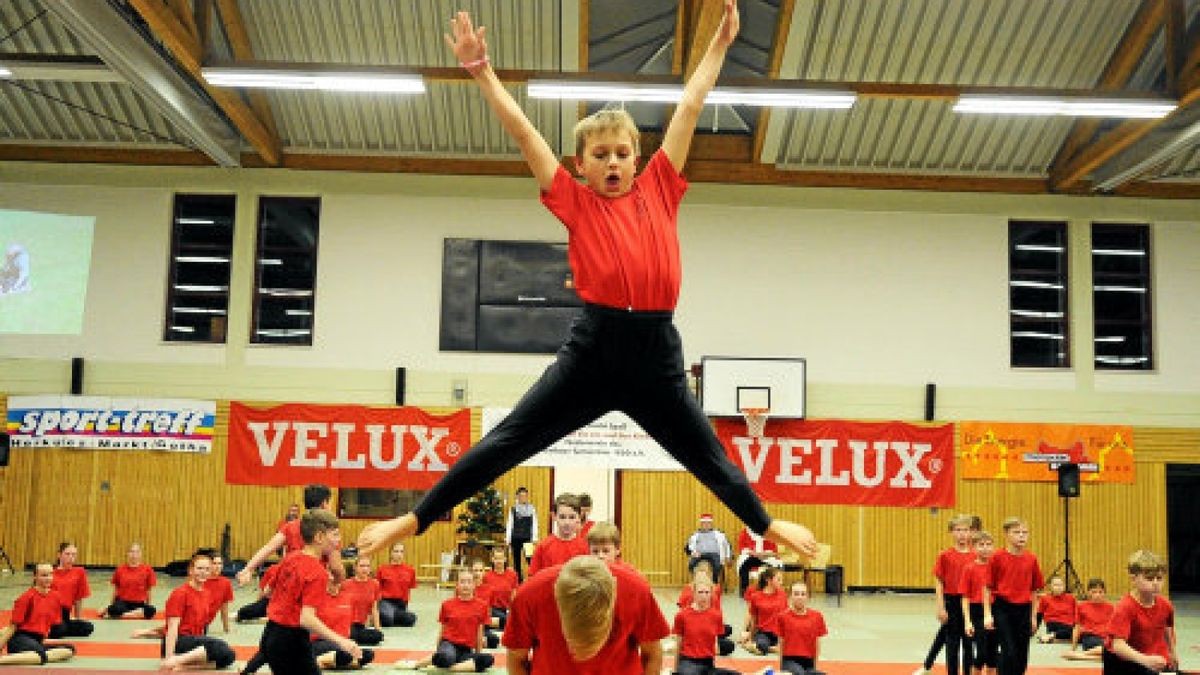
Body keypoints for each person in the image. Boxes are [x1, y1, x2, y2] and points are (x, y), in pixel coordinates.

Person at [356, 0, 818, 563]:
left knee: (709, 456)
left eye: (623, 153)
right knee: (511, 438)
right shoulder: (576, 203)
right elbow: (526, 136)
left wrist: (719, 45)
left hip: (654, 354)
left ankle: (765, 526)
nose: (615, 163)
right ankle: (416, 516)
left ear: (638, 157)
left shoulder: (659, 189)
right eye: (601, 155)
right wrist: (482, 73)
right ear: (582, 165)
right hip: (595, 349)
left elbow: (691, 103)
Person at [503, 555, 669, 674]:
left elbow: (652, 654)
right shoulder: (530, 596)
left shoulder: (636, 592)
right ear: (556, 596)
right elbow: (517, 659)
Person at [258, 509, 360, 675]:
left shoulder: (291, 558)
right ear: (319, 537)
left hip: (271, 635)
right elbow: (306, 619)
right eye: (334, 535)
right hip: (291, 640)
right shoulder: (317, 572)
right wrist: (341, 641)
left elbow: (268, 591)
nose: (338, 540)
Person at [915, 514, 983, 675]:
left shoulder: (976, 556)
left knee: (968, 643)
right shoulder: (945, 555)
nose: (962, 534)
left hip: (970, 603)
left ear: (971, 532)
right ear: (951, 532)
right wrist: (940, 607)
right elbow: (939, 582)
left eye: (965, 530)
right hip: (951, 601)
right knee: (952, 643)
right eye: (958, 530)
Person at [396, 567, 494, 673]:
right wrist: (439, 650)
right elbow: (442, 631)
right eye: (462, 582)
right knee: (446, 657)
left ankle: (447, 667)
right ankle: (417, 664)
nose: (466, 585)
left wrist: (478, 655)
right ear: (457, 585)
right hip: (449, 645)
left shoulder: (482, 606)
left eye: (469, 582)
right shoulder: (447, 604)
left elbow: (479, 633)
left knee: (487, 659)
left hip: (466, 650)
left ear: (474, 585)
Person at [237, 484, 336, 587]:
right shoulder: (329, 530)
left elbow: (269, 547)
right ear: (324, 503)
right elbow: (336, 566)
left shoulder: (291, 526)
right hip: (313, 582)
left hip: (292, 582)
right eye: (330, 503)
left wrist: (248, 568)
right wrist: (338, 582)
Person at [1101, 550, 1177, 675]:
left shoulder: (1166, 605)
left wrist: (1172, 652)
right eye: (1149, 579)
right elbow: (1118, 646)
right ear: (1133, 579)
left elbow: (1167, 628)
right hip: (1120, 659)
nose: (1155, 583)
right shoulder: (1124, 607)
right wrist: (1145, 660)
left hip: (1146, 655)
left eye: (1159, 578)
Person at [159, 551, 236, 671]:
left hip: (194, 642)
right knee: (219, 646)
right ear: (191, 570)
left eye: (206, 569)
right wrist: (169, 656)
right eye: (199, 568)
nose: (203, 572)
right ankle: (176, 661)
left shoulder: (206, 594)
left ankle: (186, 666)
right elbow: (172, 627)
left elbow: (202, 627)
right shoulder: (180, 593)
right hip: (179, 641)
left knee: (230, 656)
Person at [989, 517, 1043, 675]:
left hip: (1024, 609)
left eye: (1025, 533)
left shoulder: (1031, 559)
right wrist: (987, 614)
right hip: (1003, 608)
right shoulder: (997, 557)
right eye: (1017, 532)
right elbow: (987, 587)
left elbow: (1035, 590)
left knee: (1021, 656)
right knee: (1009, 651)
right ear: (1006, 534)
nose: (1022, 536)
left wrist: (1033, 616)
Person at [0, 562, 76, 666]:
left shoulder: (55, 597)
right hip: (20, 639)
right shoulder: (26, 598)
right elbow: (12, 627)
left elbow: (46, 628)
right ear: (35, 577)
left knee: (69, 649)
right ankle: (3, 660)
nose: (48, 578)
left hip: (37, 641)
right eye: (44, 575)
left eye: (50, 574)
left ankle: (32, 657)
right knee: (40, 654)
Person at [670, 573, 738, 675]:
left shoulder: (716, 615)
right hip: (688, 662)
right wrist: (675, 670)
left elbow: (714, 645)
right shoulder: (682, 615)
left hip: (707, 664)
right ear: (694, 593)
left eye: (707, 592)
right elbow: (678, 644)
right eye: (700, 592)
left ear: (711, 594)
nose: (704, 596)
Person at [312, 564, 375, 671]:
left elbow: (350, 625)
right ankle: (316, 661)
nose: (335, 579)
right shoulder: (316, 596)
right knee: (346, 653)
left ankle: (325, 662)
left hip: (342, 642)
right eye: (332, 574)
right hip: (320, 642)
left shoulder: (347, 597)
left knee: (368, 655)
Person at [527, 493, 589, 577]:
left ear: (579, 518)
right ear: (554, 516)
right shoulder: (543, 546)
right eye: (562, 517)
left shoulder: (585, 547)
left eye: (572, 517)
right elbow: (533, 578)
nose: (567, 522)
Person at [772, 581, 828, 675]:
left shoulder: (817, 616)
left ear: (808, 597)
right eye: (796, 594)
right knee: (799, 673)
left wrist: (815, 666)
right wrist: (781, 667)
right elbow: (781, 642)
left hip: (808, 662)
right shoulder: (782, 617)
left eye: (803, 594)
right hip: (789, 660)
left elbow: (817, 643)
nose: (800, 597)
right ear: (790, 596)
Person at [961, 530, 997, 675]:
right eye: (981, 545)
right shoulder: (969, 568)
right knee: (981, 653)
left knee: (992, 654)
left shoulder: (996, 567)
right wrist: (967, 621)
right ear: (974, 548)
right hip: (977, 611)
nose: (985, 548)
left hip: (995, 610)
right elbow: (965, 597)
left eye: (989, 544)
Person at [102, 542, 157, 619]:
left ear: (140, 554)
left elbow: (149, 590)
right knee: (114, 609)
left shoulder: (148, 570)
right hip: (123, 602)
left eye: (137, 552)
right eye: (131, 552)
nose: (134, 555)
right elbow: (115, 589)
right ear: (127, 554)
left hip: (139, 603)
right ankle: (132, 614)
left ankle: (121, 615)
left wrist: (148, 606)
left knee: (151, 610)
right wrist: (112, 605)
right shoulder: (120, 569)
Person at [48, 542, 93, 638]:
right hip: (50, 612)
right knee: (59, 629)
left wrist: (78, 618)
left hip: (65, 614)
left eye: (74, 555)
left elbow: (78, 598)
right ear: (59, 555)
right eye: (67, 554)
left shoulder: (79, 572)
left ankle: (58, 627)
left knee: (87, 628)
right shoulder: (50, 573)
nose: (71, 557)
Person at [1062, 577, 1112, 662]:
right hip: (1090, 637)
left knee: (1115, 654)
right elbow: (1077, 627)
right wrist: (1073, 648)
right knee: (1110, 651)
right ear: (1089, 593)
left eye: (1100, 592)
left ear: (1104, 593)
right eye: (1094, 592)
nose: (1097, 595)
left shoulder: (1111, 607)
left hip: (1106, 638)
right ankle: (1081, 654)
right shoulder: (1082, 606)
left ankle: (1081, 655)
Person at [743, 566, 787, 656]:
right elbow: (753, 618)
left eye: (781, 580)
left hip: (779, 632)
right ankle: (750, 645)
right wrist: (750, 637)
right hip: (763, 632)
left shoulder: (782, 594)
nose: (781, 582)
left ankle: (770, 648)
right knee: (762, 646)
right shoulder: (756, 596)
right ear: (768, 580)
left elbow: (785, 616)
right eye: (778, 580)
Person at [341, 558, 383, 646]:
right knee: (351, 633)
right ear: (355, 568)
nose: (365, 569)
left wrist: (378, 629)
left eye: (367, 566)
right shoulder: (345, 584)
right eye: (362, 566)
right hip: (347, 624)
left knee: (378, 636)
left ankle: (350, 638)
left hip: (361, 625)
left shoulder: (375, 584)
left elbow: (374, 609)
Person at [686, 514, 732, 591]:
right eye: (704, 523)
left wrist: (728, 556)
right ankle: (697, 583)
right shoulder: (695, 534)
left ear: (711, 524)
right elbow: (688, 547)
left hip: (714, 554)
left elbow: (727, 545)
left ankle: (714, 583)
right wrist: (693, 553)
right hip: (699, 553)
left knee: (717, 566)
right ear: (701, 524)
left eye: (708, 523)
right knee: (691, 565)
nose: (706, 525)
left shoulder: (719, 534)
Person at [376, 543, 418, 627]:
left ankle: (390, 615)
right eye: (396, 551)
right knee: (387, 621)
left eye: (401, 552)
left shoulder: (410, 570)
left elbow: (409, 588)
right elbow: (377, 589)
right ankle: (386, 615)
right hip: (386, 601)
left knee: (411, 620)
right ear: (391, 553)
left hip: (401, 603)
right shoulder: (382, 569)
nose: (399, 554)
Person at [736, 526, 779, 597]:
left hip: (766, 557)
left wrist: (764, 554)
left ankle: (768, 589)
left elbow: (774, 551)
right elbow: (742, 548)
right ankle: (745, 591)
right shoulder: (745, 532)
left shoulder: (769, 533)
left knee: (771, 568)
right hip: (752, 556)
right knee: (744, 566)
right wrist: (754, 553)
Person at [505, 487, 538, 582]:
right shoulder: (513, 509)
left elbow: (534, 524)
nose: (523, 498)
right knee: (516, 561)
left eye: (524, 496)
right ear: (517, 497)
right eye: (521, 496)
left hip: (527, 538)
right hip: (515, 538)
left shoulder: (532, 509)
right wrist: (508, 539)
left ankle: (533, 578)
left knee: (530, 559)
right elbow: (509, 523)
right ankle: (519, 580)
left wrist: (534, 537)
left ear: (527, 497)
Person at [481, 547, 518, 630]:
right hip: (493, 609)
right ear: (492, 560)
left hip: (507, 609)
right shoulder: (487, 576)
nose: (499, 561)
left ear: (505, 559)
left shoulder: (512, 575)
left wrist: (513, 610)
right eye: (496, 558)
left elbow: (514, 595)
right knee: (506, 620)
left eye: (501, 558)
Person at [1035, 576, 1075, 643]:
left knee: (1078, 632)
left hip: (1068, 623)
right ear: (1051, 586)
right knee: (1071, 631)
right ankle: (1055, 636)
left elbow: (1076, 613)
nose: (1058, 587)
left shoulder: (1071, 598)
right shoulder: (1045, 598)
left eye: (1060, 585)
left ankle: (1051, 637)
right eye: (1055, 585)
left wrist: (1076, 624)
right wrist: (1034, 629)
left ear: (1064, 586)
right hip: (1053, 623)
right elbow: (1039, 614)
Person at [205, 553, 235, 634]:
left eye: (220, 563)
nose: (217, 566)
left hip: (205, 623)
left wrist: (226, 629)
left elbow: (224, 607)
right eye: (214, 563)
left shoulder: (225, 583)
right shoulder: (201, 580)